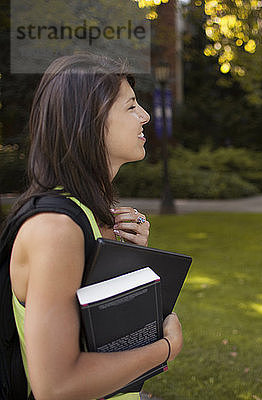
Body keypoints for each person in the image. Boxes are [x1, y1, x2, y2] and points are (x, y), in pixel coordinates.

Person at [0, 54, 182, 400]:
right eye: (130, 107)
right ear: (90, 121)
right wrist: (166, 348)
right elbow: (56, 387)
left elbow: (101, 333)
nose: (144, 116)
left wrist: (127, 257)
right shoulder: (55, 229)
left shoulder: (92, 213)